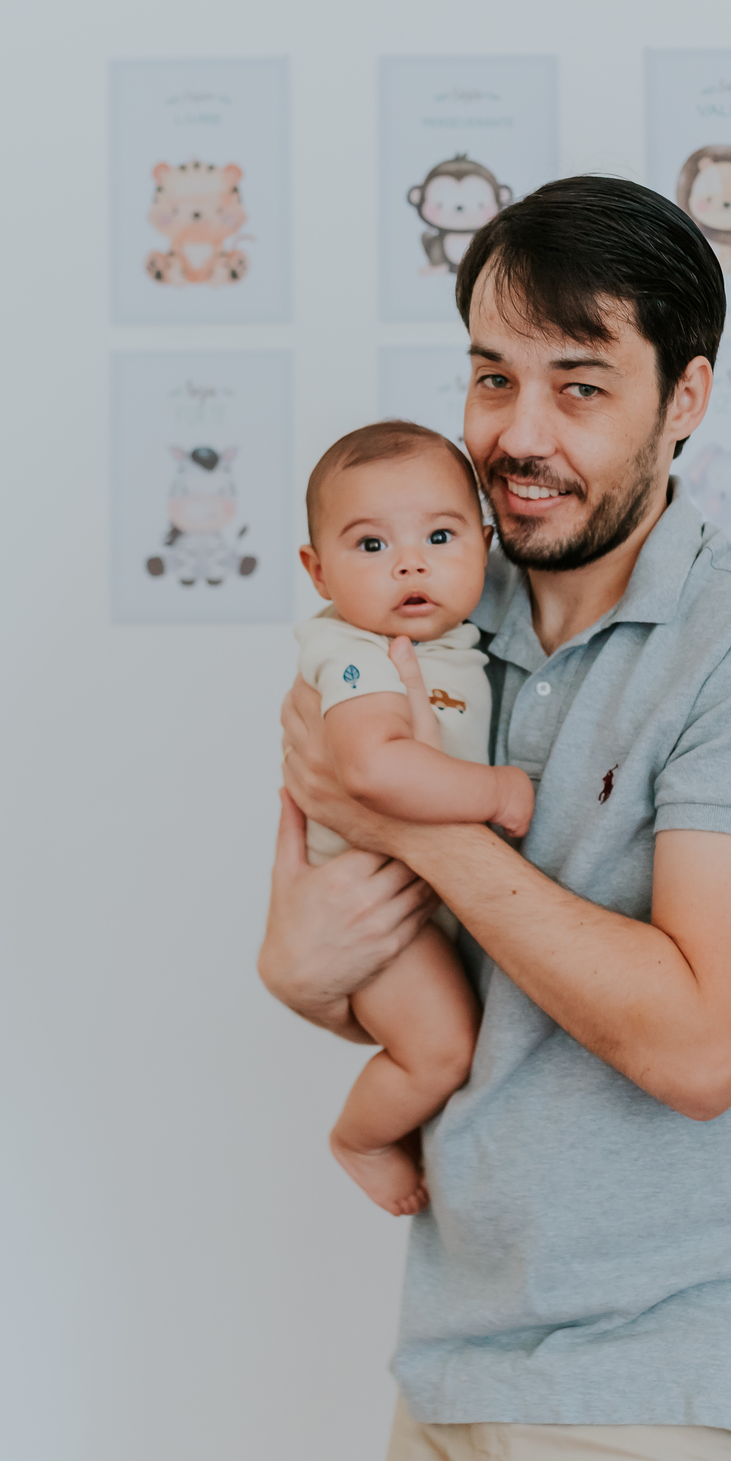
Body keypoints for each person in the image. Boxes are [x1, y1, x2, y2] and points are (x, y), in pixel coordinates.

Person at [263, 176, 731, 1461]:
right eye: (493, 377)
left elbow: (700, 1045)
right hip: (451, 1381)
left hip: (675, 1412)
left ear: (687, 401)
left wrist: (416, 824)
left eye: (581, 386)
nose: (519, 434)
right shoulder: (430, 604)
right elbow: (307, 953)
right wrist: (311, 955)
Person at [293, 421, 532, 1216]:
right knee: (440, 1052)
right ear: (318, 571)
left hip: (423, 905)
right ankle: (360, 1138)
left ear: (487, 545)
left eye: (439, 535)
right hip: (381, 917)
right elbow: (371, 768)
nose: (410, 562)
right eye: (370, 546)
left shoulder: (459, 645)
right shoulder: (357, 655)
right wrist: (496, 794)